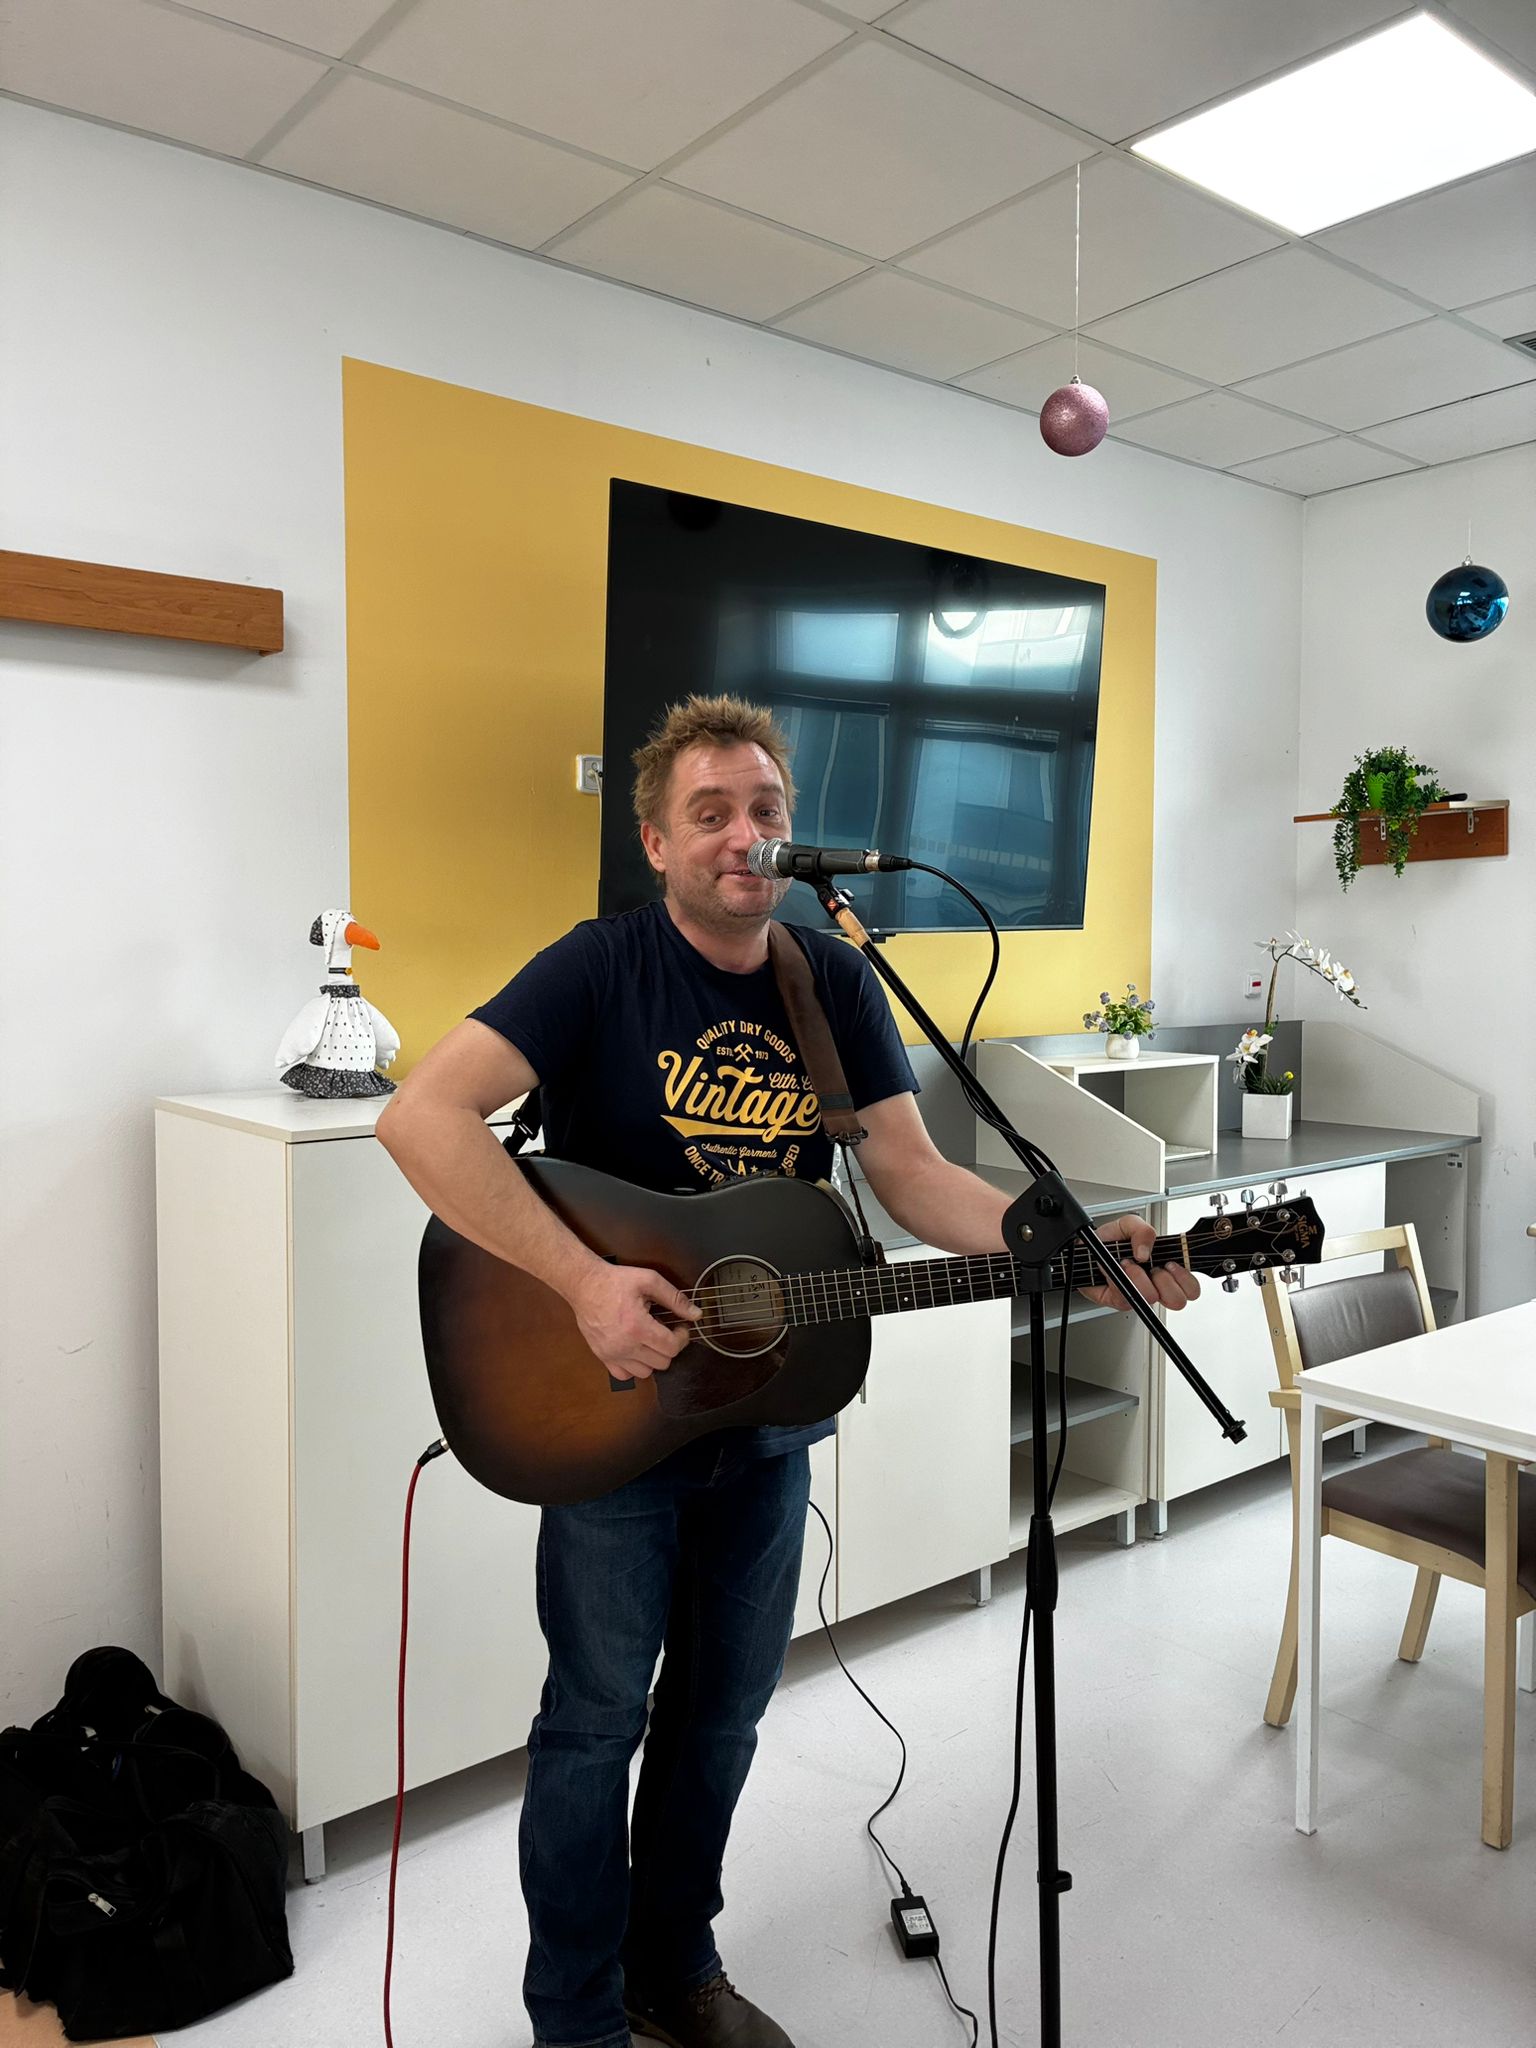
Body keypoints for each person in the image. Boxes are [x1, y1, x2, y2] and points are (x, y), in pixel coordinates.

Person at [378, 694, 1198, 2048]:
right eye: (709, 813)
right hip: (609, 1405)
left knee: (721, 1717)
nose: (742, 835)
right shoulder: (599, 967)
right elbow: (422, 1118)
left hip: (762, 1415)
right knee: (595, 1721)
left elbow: (913, 1176)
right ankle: (572, 2016)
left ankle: (672, 1968)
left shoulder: (833, 979)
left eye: (764, 809)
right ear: (657, 842)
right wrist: (585, 1283)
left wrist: (1075, 1245)